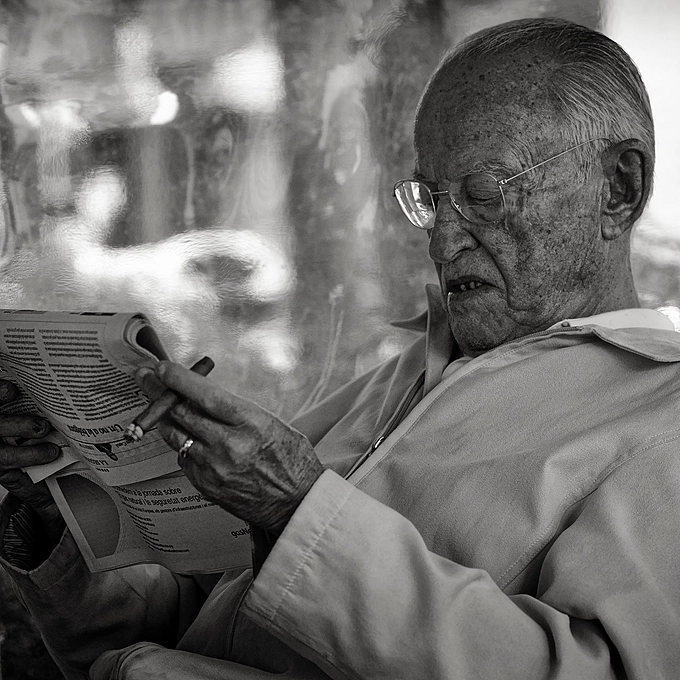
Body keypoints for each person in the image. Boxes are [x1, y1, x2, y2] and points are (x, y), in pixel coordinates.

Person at [1, 16, 679, 679]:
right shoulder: (406, 375)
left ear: (618, 189)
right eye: (430, 200)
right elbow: (206, 626)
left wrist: (298, 513)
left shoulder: (659, 419)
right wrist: (58, 520)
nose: (443, 242)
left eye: (484, 195)